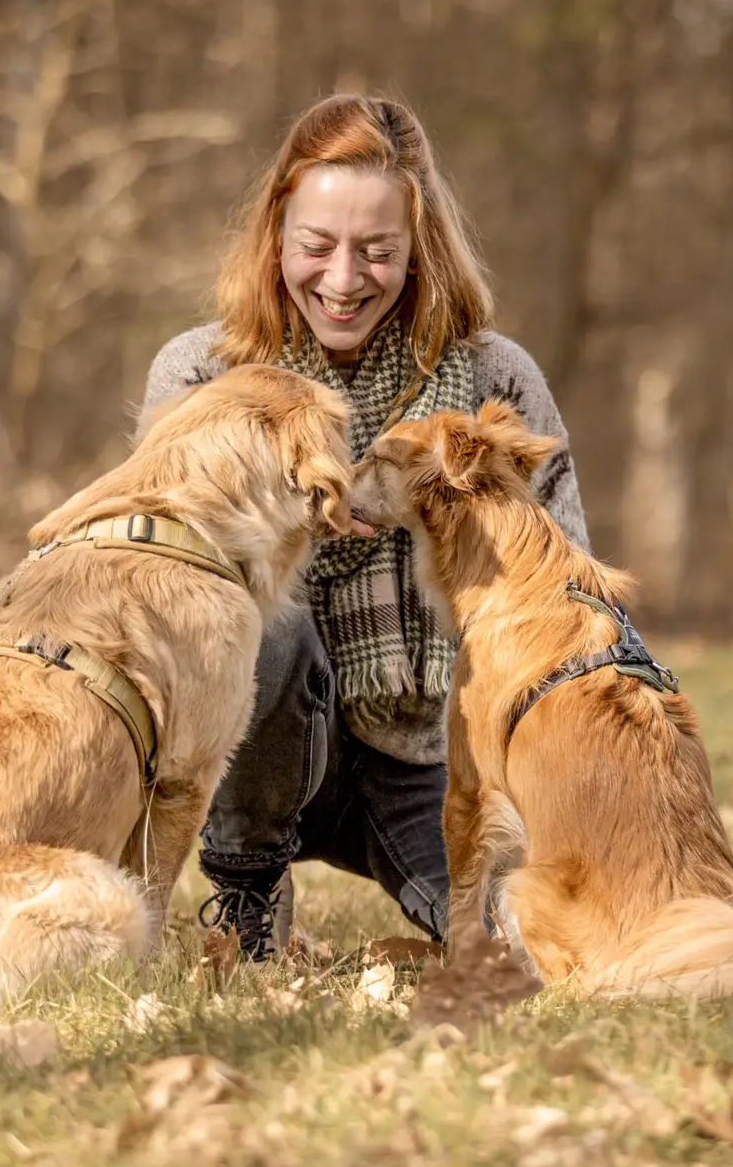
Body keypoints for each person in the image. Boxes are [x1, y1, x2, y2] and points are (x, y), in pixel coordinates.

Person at [138, 93, 589, 959]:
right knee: (255, 625)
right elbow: (154, 598)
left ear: (419, 250)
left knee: (521, 949)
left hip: (428, 757)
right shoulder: (198, 373)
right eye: (317, 247)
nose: (343, 281)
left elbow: (561, 604)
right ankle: (246, 889)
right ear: (276, 234)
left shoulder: (495, 383)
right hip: (250, 745)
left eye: (378, 252)